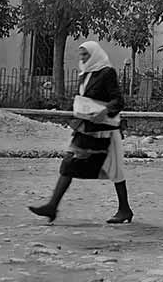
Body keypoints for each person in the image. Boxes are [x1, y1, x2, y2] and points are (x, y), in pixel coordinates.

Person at [29, 41, 133, 224]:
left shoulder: (107, 73)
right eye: (81, 55)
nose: (82, 58)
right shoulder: (84, 74)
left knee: (115, 170)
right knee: (69, 163)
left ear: (95, 54)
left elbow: (118, 100)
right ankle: (52, 206)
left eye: (86, 55)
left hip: (105, 131)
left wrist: (105, 110)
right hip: (86, 128)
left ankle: (124, 209)